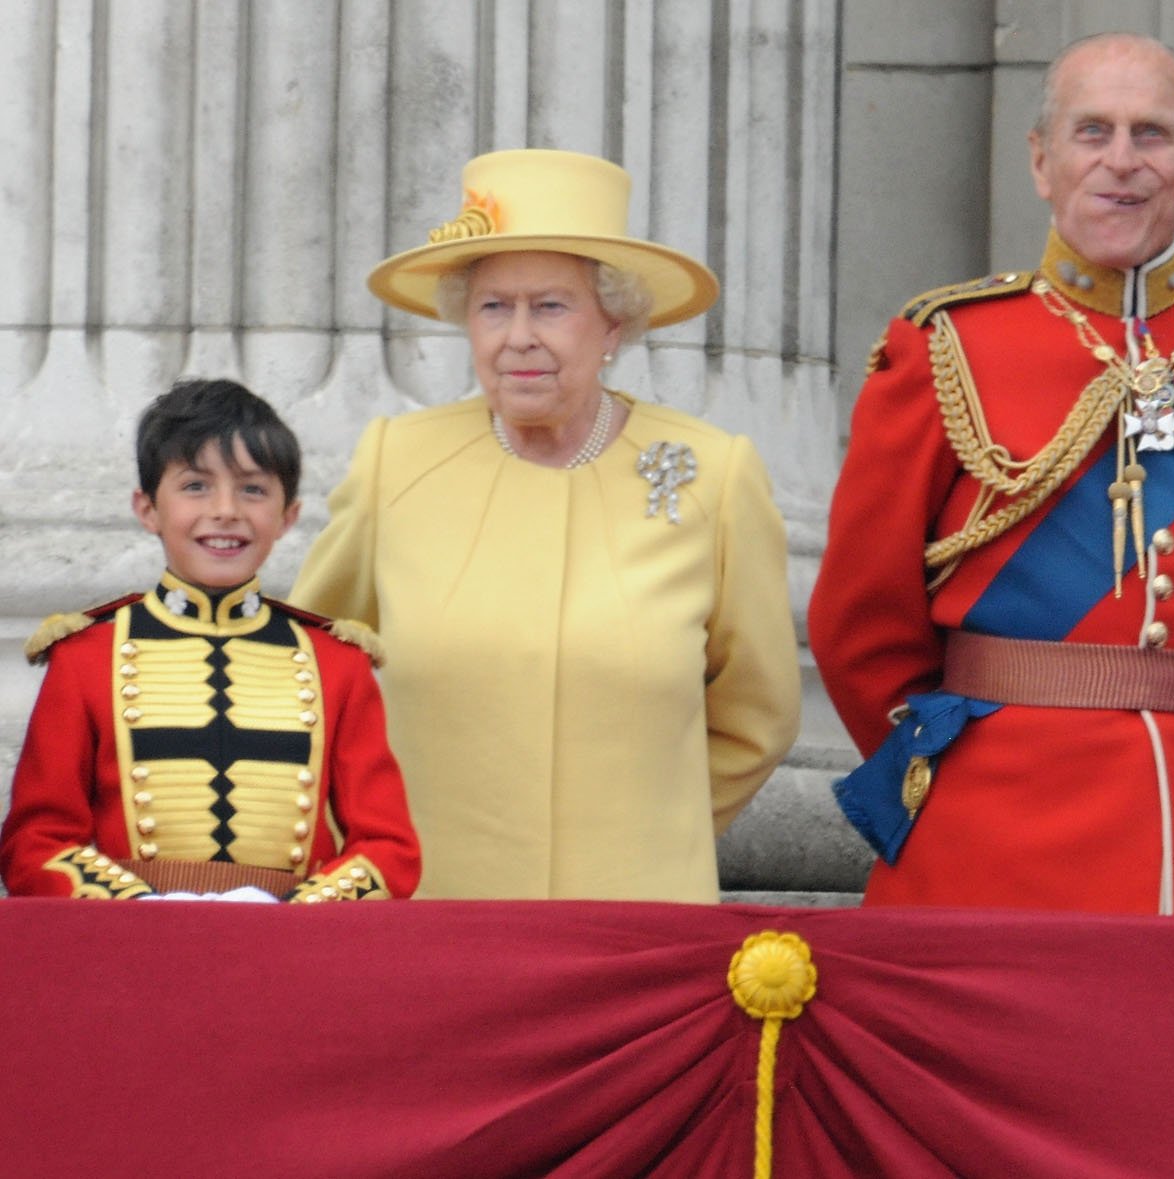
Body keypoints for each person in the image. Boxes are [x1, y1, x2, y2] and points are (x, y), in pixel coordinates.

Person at [811, 33, 1174, 917]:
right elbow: (860, 626)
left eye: (1153, 134)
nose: (1122, 162)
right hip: (993, 827)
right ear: (1041, 160)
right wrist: (960, 758)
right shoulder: (949, 343)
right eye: (1092, 131)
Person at [291, 149, 800, 900]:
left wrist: (656, 830)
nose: (518, 336)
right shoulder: (396, 462)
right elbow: (306, 679)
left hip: (635, 919)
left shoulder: (712, 474)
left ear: (613, 325)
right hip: (430, 910)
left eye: (551, 306)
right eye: (495, 306)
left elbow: (758, 714)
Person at [5, 379, 419, 902]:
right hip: (128, 942)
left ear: (288, 515)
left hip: (294, 944)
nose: (226, 510)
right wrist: (137, 907)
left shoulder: (337, 663)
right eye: (196, 486)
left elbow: (388, 846)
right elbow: (36, 842)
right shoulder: (86, 657)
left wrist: (296, 911)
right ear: (147, 508)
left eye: (253, 489)